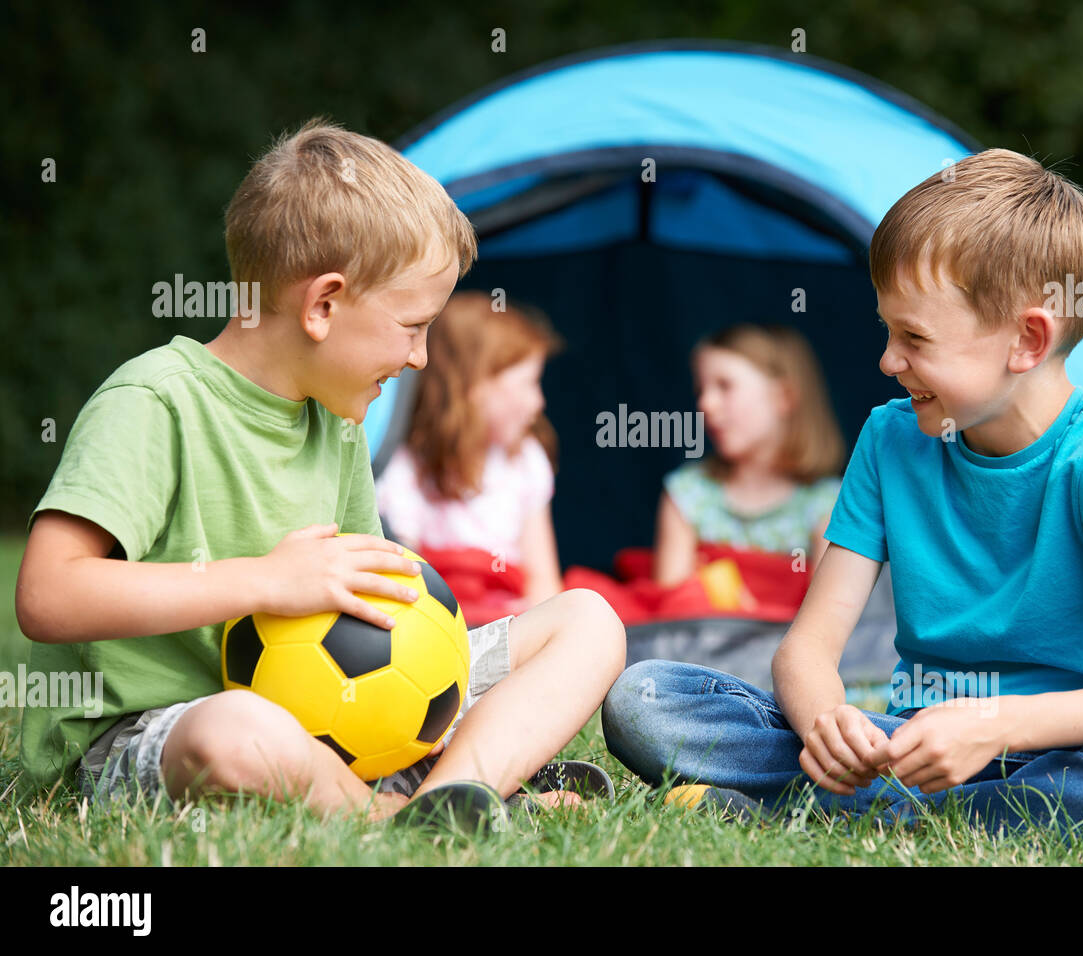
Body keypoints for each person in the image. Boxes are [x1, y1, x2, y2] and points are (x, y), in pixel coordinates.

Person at [602, 148, 1083, 842]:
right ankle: (873, 801)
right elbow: (806, 650)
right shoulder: (889, 440)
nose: (887, 360)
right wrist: (827, 725)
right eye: (887, 329)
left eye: (914, 337)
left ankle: (856, 814)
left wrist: (994, 727)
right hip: (908, 749)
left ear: (1027, 339)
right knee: (647, 697)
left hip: (1074, 753)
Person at [14, 119, 625, 832]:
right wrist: (268, 579)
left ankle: (451, 796)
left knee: (589, 620)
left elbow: (369, 613)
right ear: (323, 305)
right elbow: (48, 594)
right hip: (159, 732)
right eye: (412, 326)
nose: (422, 358)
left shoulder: (336, 423)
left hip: (318, 714)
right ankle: (387, 810)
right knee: (235, 730)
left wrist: (437, 666)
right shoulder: (155, 402)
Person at [374, 290, 564, 620]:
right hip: (448, 621)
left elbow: (544, 582)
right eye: (528, 384)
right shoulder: (407, 471)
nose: (539, 402)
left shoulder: (525, 462)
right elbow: (407, 579)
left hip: (515, 620)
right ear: (472, 388)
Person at [653, 323, 844, 608]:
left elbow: (827, 615)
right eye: (700, 389)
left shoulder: (826, 504)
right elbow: (671, 611)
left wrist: (750, 613)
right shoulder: (687, 494)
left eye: (724, 386)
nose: (706, 403)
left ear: (784, 396)